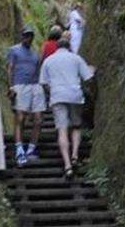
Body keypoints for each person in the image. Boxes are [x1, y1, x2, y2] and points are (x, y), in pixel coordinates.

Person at [38, 37, 95, 180]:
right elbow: (88, 78)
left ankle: (67, 165)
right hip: (75, 95)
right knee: (76, 126)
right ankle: (75, 155)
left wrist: (52, 90)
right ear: (69, 47)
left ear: (57, 48)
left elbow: (44, 83)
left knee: (62, 130)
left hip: (57, 96)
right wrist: (91, 71)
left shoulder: (48, 61)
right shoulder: (76, 58)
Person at [5, 25, 45, 166]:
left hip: (35, 86)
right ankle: (19, 150)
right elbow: (10, 68)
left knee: (39, 120)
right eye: (26, 35)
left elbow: (38, 71)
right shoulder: (14, 50)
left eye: (30, 36)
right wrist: (10, 87)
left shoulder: (35, 54)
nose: (28, 38)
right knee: (20, 118)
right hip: (20, 85)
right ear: (22, 36)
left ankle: (30, 150)